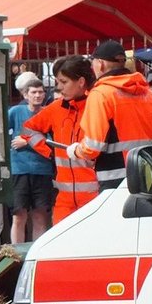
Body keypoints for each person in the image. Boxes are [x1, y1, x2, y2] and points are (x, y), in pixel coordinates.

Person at [71, 40, 152, 190]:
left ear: (100, 64)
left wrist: (75, 150)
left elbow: (93, 146)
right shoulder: (148, 94)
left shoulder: (101, 94)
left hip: (114, 179)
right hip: (149, 173)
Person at [21, 55, 96, 225]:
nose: (59, 87)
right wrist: (49, 150)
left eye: (64, 82)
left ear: (81, 81)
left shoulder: (97, 105)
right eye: (58, 82)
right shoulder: (56, 108)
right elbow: (28, 129)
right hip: (64, 201)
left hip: (95, 199)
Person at [7, 71, 53, 242]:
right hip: (19, 169)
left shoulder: (48, 112)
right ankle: (17, 256)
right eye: (33, 92)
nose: (38, 95)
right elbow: (2, 131)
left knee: (40, 216)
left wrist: (27, 140)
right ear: (25, 95)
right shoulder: (15, 112)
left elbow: (52, 139)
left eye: (41, 92)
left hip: (43, 170)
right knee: (19, 215)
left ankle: (36, 254)